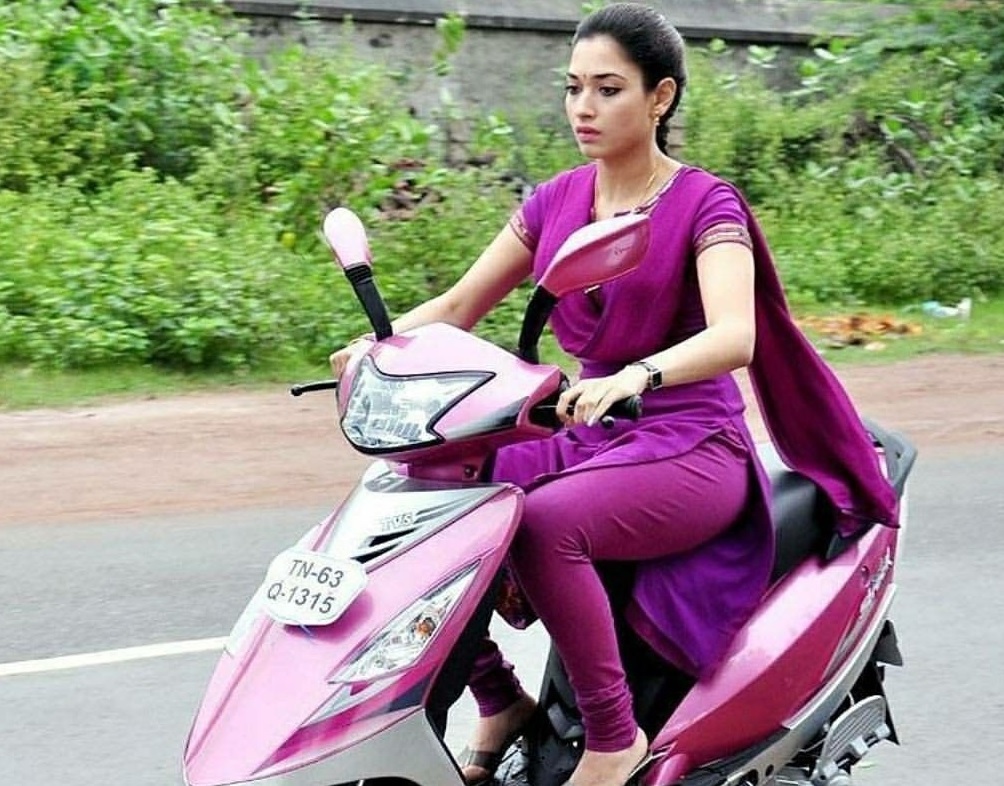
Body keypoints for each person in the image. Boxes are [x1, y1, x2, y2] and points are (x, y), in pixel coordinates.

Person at [330, 5, 898, 786]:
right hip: (588, 427)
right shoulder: (556, 201)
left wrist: (639, 375)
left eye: (607, 89)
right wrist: (376, 347)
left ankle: (613, 737)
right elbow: (461, 306)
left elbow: (737, 336)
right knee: (424, 502)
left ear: (659, 97)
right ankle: (500, 698)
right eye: (572, 89)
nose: (583, 109)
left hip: (691, 443)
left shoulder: (705, 204)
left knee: (542, 526)